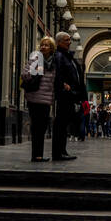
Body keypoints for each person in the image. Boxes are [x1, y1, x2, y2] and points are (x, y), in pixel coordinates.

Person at [50, 32, 85, 161]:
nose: (70, 42)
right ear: (59, 42)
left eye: (70, 40)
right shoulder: (59, 56)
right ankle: (58, 153)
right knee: (60, 124)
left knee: (64, 125)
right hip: (64, 96)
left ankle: (62, 151)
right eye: (66, 40)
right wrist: (63, 85)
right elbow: (57, 73)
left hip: (70, 96)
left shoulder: (67, 57)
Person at [23, 36, 57, 162]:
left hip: (46, 99)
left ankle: (39, 155)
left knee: (42, 128)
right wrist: (34, 70)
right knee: (36, 127)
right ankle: (36, 155)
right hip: (34, 98)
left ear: (51, 48)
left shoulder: (54, 63)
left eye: (46, 45)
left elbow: (55, 81)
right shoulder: (35, 59)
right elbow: (24, 74)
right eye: (42, 45)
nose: (43, 47)